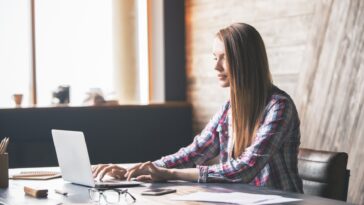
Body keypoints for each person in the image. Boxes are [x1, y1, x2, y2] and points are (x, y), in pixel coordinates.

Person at [92, 23, 303, 193]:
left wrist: (170, 174)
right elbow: (194, 153)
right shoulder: (229, 109)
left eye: (225, 58)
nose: (216, 66)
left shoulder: (279, 106)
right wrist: (136, 170)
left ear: (245, 61)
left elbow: (245, 169)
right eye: (214, 57)